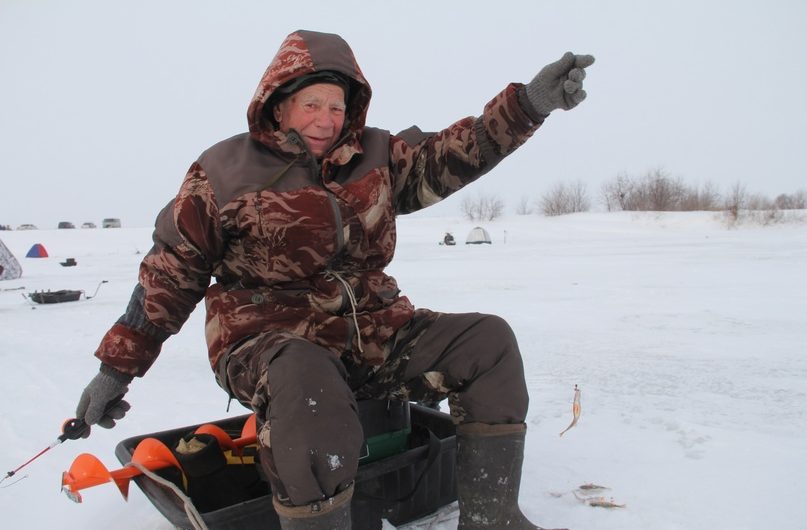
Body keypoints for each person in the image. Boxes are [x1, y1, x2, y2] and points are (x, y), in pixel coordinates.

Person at [73, 29, 594, 529]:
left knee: (488, 341)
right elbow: (170, 273)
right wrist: (116, 371)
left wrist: (529, 104)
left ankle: (492, 520)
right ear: (279, 104)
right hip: (267, 340)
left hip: (374, 330)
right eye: (312, 105)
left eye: (337, 106)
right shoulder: (223, 172)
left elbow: (456, 153)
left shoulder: (377, 155)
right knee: (307, 382)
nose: (326, 120)